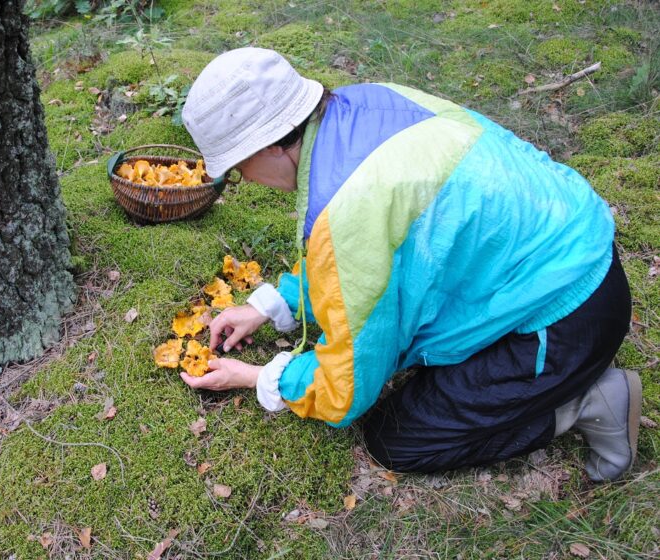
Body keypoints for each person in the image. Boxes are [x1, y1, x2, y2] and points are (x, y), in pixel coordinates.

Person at [178, 47, 640, 481]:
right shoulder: (366, 102)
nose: (245, 180)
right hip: (570, 255)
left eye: (239, 167)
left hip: (565, 319)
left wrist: (259, 377)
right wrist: (272, 304)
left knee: (397, 438)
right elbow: (374, 254)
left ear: (271, 146)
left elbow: (346, 392)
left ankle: (583, 402)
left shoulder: (346, 206)